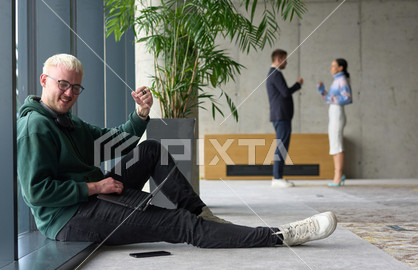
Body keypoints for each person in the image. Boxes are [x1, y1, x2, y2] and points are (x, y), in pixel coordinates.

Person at [17, 53, 337, 249]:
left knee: (152, 150)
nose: (70, 93)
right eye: (63, 84)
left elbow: (113, 141)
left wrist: (141, 114)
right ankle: (280, 236)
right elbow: (37, 192)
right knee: (179, 225)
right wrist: (94, 186)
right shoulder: (37, 126)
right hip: (69, 218)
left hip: (94, 195)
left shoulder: (65, 121)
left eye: (75, 87)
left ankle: (204, 217)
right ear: (45, 80)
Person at [266, 49, 303, 188]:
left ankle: (278, 176)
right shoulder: (275, 74)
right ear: (278, 59)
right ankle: (277, 177)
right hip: (281, 116)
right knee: (281, 145)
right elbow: (286, 93)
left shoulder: (273, 74)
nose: (286, 62)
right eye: (285, 59)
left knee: (282, 145)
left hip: (281, 116)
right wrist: (298, 84)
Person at [317, 58, 352, 186]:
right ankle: (338, 174)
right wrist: (322, 91)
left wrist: (330, 97)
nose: (331, 67)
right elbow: (329, 99)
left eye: (333, 65)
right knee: (334, 144)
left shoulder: (342, 80)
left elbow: (347, 98)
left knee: (337, 144)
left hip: (337, 113)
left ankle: (338, 175)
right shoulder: (336, 80)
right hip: (333, 112)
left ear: (340, 68)